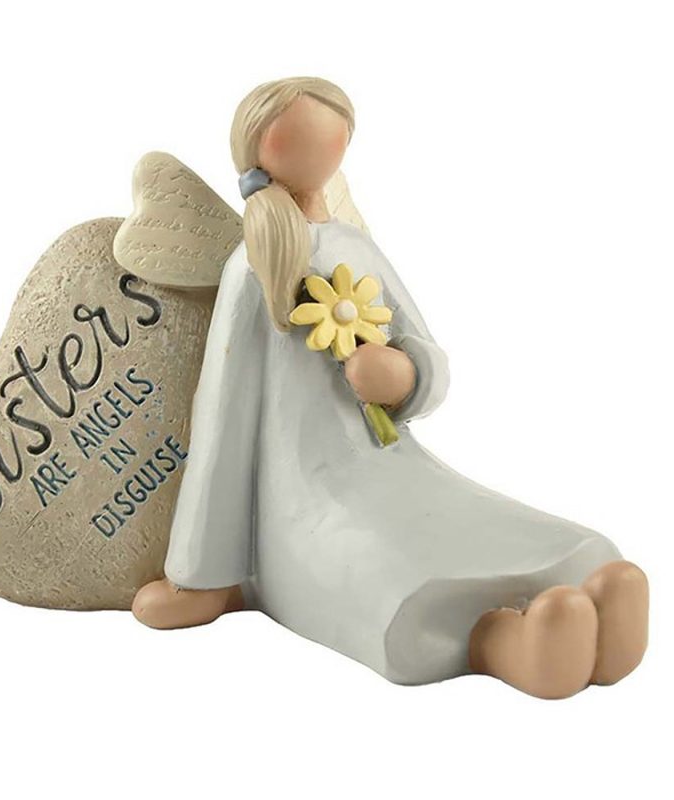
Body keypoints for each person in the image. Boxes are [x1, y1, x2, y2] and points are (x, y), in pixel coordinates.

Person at [132, 77, 648, 699]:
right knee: (387, 566)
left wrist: (404, 375)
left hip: (392, 465)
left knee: (487, 526)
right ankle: (502, 639)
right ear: (266, 144)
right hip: (302, 501)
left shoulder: (352, 247)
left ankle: (582, 595)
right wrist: (203, 572)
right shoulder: (252, 268)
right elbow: (223, 418)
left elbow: (425, 352)